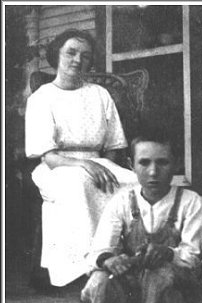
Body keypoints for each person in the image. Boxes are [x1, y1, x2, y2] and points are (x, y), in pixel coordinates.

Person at [74, 127, 202, 303]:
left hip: (177, 283)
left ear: (176, 164)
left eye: (163, 162)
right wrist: (111, 260)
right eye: (144, 162)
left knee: (160, 280)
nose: (154, 172)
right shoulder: (122, 200)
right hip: (137, 283)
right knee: (110, 289)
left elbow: (192, 256)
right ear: (131, 165)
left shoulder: (188, 201)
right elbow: (99, 248)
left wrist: (168, 253)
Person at [25, 29, 137, 287]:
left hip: (98, 161)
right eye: (71, 52)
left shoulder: (99, 94)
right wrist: (86, 164)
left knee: (132, 184)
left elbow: (112, 147)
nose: (78, 60)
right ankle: (88, 268)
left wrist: (104, 166)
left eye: (85, 56)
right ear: (57, 56)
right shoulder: (42, 98)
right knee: (78, 184)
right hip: (57, 166)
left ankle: (128, 261)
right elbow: (49, 157)